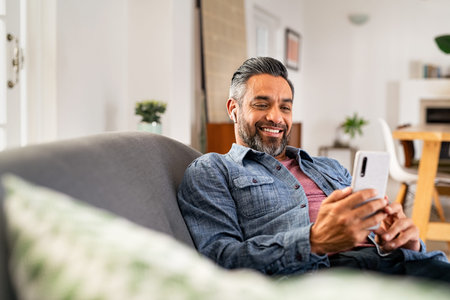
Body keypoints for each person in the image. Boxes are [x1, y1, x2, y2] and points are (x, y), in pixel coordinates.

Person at [177, 57, 450, 281]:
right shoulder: (213, 169)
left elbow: (378, 233)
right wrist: (314, 241)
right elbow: (220, 260)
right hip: (324, 276)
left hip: (399, 264)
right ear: (233, 109)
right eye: (261, 104)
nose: (276, 117)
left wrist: (406, 241)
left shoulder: (328, 167)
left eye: (285, 107)